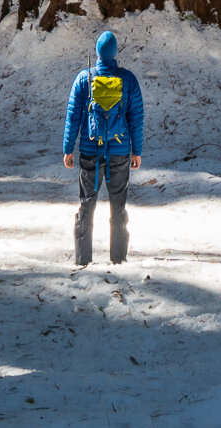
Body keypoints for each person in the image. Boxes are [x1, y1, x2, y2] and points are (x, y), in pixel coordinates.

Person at [62, 27, 144, 267]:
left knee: (87, 204)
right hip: (119, 153)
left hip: (90, 152)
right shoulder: (127, 80)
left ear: (97, 53)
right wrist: (136, 151)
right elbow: (136, 118)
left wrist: (68, 148)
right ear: (115, 53)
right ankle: (118, 259)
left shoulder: (84, 79)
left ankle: (82, 260)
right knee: (118, 205)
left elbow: (73, 116)